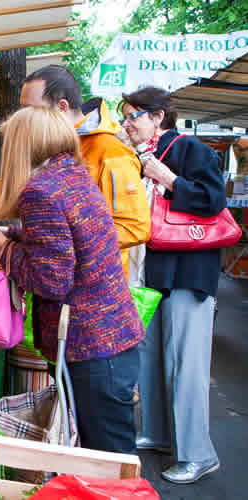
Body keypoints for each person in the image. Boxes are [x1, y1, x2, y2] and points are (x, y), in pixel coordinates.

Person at [0, 106, 144, 454]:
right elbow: (67, 238)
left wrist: (3, 246)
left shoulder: (40, 191)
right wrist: (13, 232)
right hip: (109, 341)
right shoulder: (73, 175)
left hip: (90, 348)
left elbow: (50, 280)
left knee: (106, 461)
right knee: (110, 453)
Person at [0, 65, 151, 279]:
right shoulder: (49, 147)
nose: (23, 117)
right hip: (53, 277)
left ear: (61, 107)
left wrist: (53, 240)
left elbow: (135, 227)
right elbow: (18, 186)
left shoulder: (112, 153)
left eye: (31, 109)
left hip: (93, 284)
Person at [120, 87, 225, 484]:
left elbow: (213, 200)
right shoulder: (138, 157)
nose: (127, 123)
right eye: (126, 116)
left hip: (188, 272)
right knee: (151, 358)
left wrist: (169, 179)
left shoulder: (189, 149)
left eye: (134, 116)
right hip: (156, 273)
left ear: (158, 116)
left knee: (185, 363)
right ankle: (160, 434)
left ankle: (198, 454)